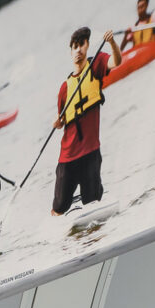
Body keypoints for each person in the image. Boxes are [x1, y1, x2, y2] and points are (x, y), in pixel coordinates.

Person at [53, 25, 115, 215]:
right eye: (75, 47)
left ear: (87, 46)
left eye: (82, 45)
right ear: (71, 52)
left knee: (92, 202)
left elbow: (116, 61)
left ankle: (92, 197)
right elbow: (61, 120)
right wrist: (58, 123)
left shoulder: (96, 65)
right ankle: (68, 207)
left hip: (90, 152)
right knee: (59, 206)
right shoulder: (64, 88)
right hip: (68, 156)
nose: (78, 50)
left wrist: (112, 43)